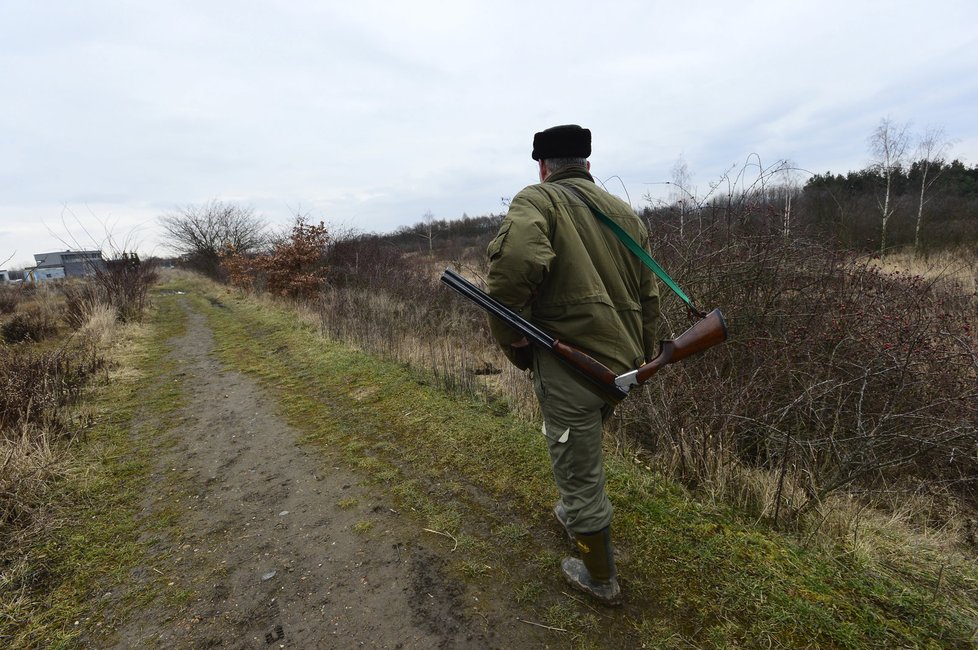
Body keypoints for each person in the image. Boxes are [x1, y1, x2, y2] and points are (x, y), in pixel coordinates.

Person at [485, 124, 660, 606]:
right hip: (621, 364)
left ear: (543, 167)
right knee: (583, 451)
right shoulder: (622, 212)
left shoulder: (538, 201)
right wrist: (644, 357)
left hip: (572, 367)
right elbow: (649, 293)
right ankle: (574, 515)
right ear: (586, 164)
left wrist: (514, 343)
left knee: (578, 473)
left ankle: (599, 577)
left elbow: (512, 269)